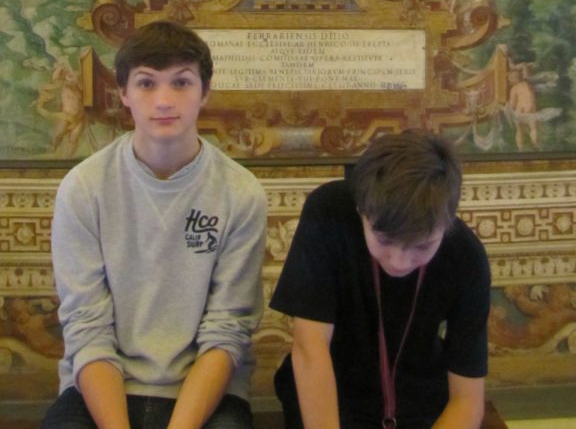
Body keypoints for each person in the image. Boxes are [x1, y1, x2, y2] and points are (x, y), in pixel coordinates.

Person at [42, 21, 268, 429]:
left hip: (203, 391)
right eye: (147, 84)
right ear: (124, 94)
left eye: (181, 83)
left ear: (205, 92)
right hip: (103, 385)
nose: (164, 100)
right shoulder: (84, 188)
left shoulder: (241, 192)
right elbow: (87, 328)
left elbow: (227, 331)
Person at [270, 130, 490, 429]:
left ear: (447, 223)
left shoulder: (467, 257)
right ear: (362, 209)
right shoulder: (329, 212)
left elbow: (466, 399)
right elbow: (311, 348)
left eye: (422, 246)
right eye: (384, 240)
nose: (399, 262)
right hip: (329, 392)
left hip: (421, 401)